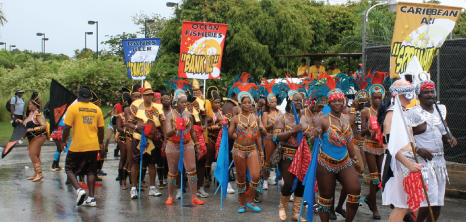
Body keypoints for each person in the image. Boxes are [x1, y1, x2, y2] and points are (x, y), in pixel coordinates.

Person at [406, 80, 457, 222]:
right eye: (426, 92)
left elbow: (445, 131)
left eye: (431, 91)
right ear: (419, 95)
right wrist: (418, 149)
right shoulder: (413, 113)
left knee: (438, 203)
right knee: (430, 199)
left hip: (439, 162)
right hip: (424, 163)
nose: (430, 95)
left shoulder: (440, 110)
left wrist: (451, 138)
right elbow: (404, 138)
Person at [311, 88, 362, 222]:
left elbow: (349, 143)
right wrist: (314, 135)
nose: (337, 103)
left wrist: (355, 160)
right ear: (329, 103)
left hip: (344, 161)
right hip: (325, 163)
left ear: (344, 102)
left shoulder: (346, 118)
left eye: (340, 100)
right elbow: (313, 141)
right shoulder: (322, 120)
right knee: (326, 197)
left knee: (355, 190)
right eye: (334, 101)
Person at [379, 79, 423, 222]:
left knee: (407, 205)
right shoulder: (392, 114)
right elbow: (391, 146)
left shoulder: (402, 111)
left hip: (407, 160)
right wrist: (408, 164)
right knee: (402, 206)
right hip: (398, 163)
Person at [273, 78, 309, 221]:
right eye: (296, 100)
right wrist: (292, 131)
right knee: (288, 183)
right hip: (287, 154)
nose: (299, 103)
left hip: (302, 155)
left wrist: (310, 134)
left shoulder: (305, 119)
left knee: (301, 184)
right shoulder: (281, 119)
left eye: (300, 100)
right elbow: (276, 137)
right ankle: (282, 208)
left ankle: (296, 213)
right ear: (289, 101)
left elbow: (310, 136)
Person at [62, 87, 105, 207]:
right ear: (90, 97)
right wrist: (100, 142)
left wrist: (63, 141)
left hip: (78, 145)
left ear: (78, 95)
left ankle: (79, 190)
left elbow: (66, 127)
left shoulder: (73, 108)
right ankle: (91, 198)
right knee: (91, 172)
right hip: (92, 145)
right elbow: (101, 129)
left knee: (69, 169)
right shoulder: (97, 109)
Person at [164, 85, 204, 206]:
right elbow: (167, 133)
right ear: (176, 102)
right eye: (182, 102)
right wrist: (176, 128)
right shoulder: (170, 116)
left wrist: (197, 145)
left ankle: (194, 196)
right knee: (172, 171)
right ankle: (170, 196)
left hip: (187, 144)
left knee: (191, 169)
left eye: (185, 102)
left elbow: (192, 131)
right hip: (173, 145)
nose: (184, 104)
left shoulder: (188, 115)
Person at [228, 82, 263, 213]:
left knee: (255, 176)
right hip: (239, 150)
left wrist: (261, 153)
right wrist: (237, 133)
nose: (248, 104)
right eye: (245, 102)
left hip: (252, 150)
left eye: (249, 102)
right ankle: (242, 204)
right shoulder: (236, 119)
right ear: (240, 104)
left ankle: (251, 201)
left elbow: (258, 137)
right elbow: (231, 135)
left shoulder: (256, 118)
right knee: (241, 177)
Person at [127, 81, 164, 199]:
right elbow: (129, 124)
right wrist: (137, 127)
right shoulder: (136, 108)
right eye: (147, 95)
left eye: (151, 95)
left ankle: (152, 187)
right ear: (143, 96)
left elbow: (162, 124)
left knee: (152, 164)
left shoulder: (158, 108)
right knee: (135, 163)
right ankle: (133, 188)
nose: (150, 97)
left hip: (153, 140)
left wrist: (165, 140)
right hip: (139, 138)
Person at [360, 71, 388, 220]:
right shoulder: (365, 111)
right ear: (371, 98)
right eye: (375, 98)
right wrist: (369, 130)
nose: (377, 100)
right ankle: (374, 208)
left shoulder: (385, 111)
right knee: (374, 177)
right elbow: (362, 132)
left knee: (382, 178)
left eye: (379, 98)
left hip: (381, 146)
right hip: (370, 145)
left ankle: (369, 198)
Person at [17, 92, 47, 182]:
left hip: (39, 136)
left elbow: (44, 126)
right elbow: (27, 124)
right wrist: (20, 122)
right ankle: (36, 173)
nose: (28, 106)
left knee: (32, 154)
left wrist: (33, 130)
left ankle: (40, 174)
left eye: (30, 104)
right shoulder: (31, 114)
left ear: (35, 105)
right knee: (36, 155)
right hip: (32, 137)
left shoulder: (38, 114)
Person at [259, 79, 281, 189]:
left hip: (279, 137)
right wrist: (273, 125)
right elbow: (263, 127)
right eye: (272, 102)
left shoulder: (279, 112)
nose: (274, 103)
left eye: (276, 101)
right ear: (268, 103)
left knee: (280, 158)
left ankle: (280, 179)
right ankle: (265, 180)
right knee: (268, 159)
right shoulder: (265, 113)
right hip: (269, 137)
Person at [123, 85, 142, 190]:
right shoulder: (128, 108)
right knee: (130, 160)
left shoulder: (143, 107)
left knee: (138, 161)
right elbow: (128, 122)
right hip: (130, 135)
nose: (138, 99)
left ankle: (136, 182)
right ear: (131, 98)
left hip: (139, 136)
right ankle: (125, 182)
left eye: (140, 96)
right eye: (136, 97)